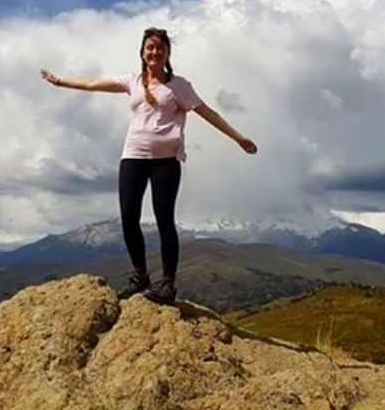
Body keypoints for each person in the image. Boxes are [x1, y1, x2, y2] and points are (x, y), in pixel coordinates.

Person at [39, 27, 257, 305]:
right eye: (150, 47)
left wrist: (237, 137)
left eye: (160, 48)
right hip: (133, 157)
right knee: (129, 219)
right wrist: (61, 82)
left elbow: (207, 113)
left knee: (164, 220)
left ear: (167, 54)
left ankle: (167, 282)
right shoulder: (132, 81)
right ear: (142, 52)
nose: (155, 52)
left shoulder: (179, 86)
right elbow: (94, 83)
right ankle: (140, 276)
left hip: (166, 162)